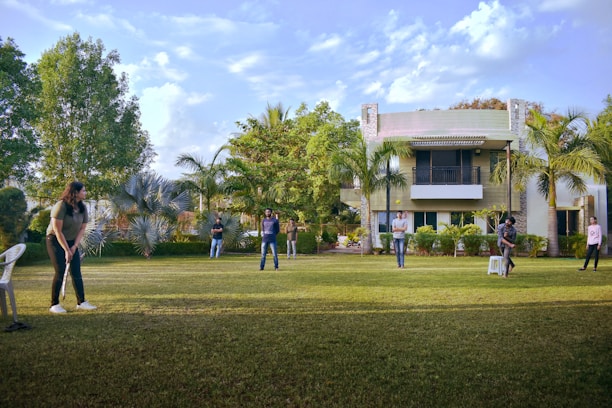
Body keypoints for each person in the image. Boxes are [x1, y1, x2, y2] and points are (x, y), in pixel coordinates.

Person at [46, 181, 97, 313]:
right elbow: (57, 231)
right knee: (61, 270)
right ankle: (54, 304)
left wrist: (74, 246)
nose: (85, 193)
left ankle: (82, 302)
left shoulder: (82, 208)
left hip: (72, 241)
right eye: (83, 191)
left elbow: (82, 228)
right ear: (75, 192)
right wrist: (66, 250)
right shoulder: (60, 206)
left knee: (76, 271)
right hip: (55, 240)